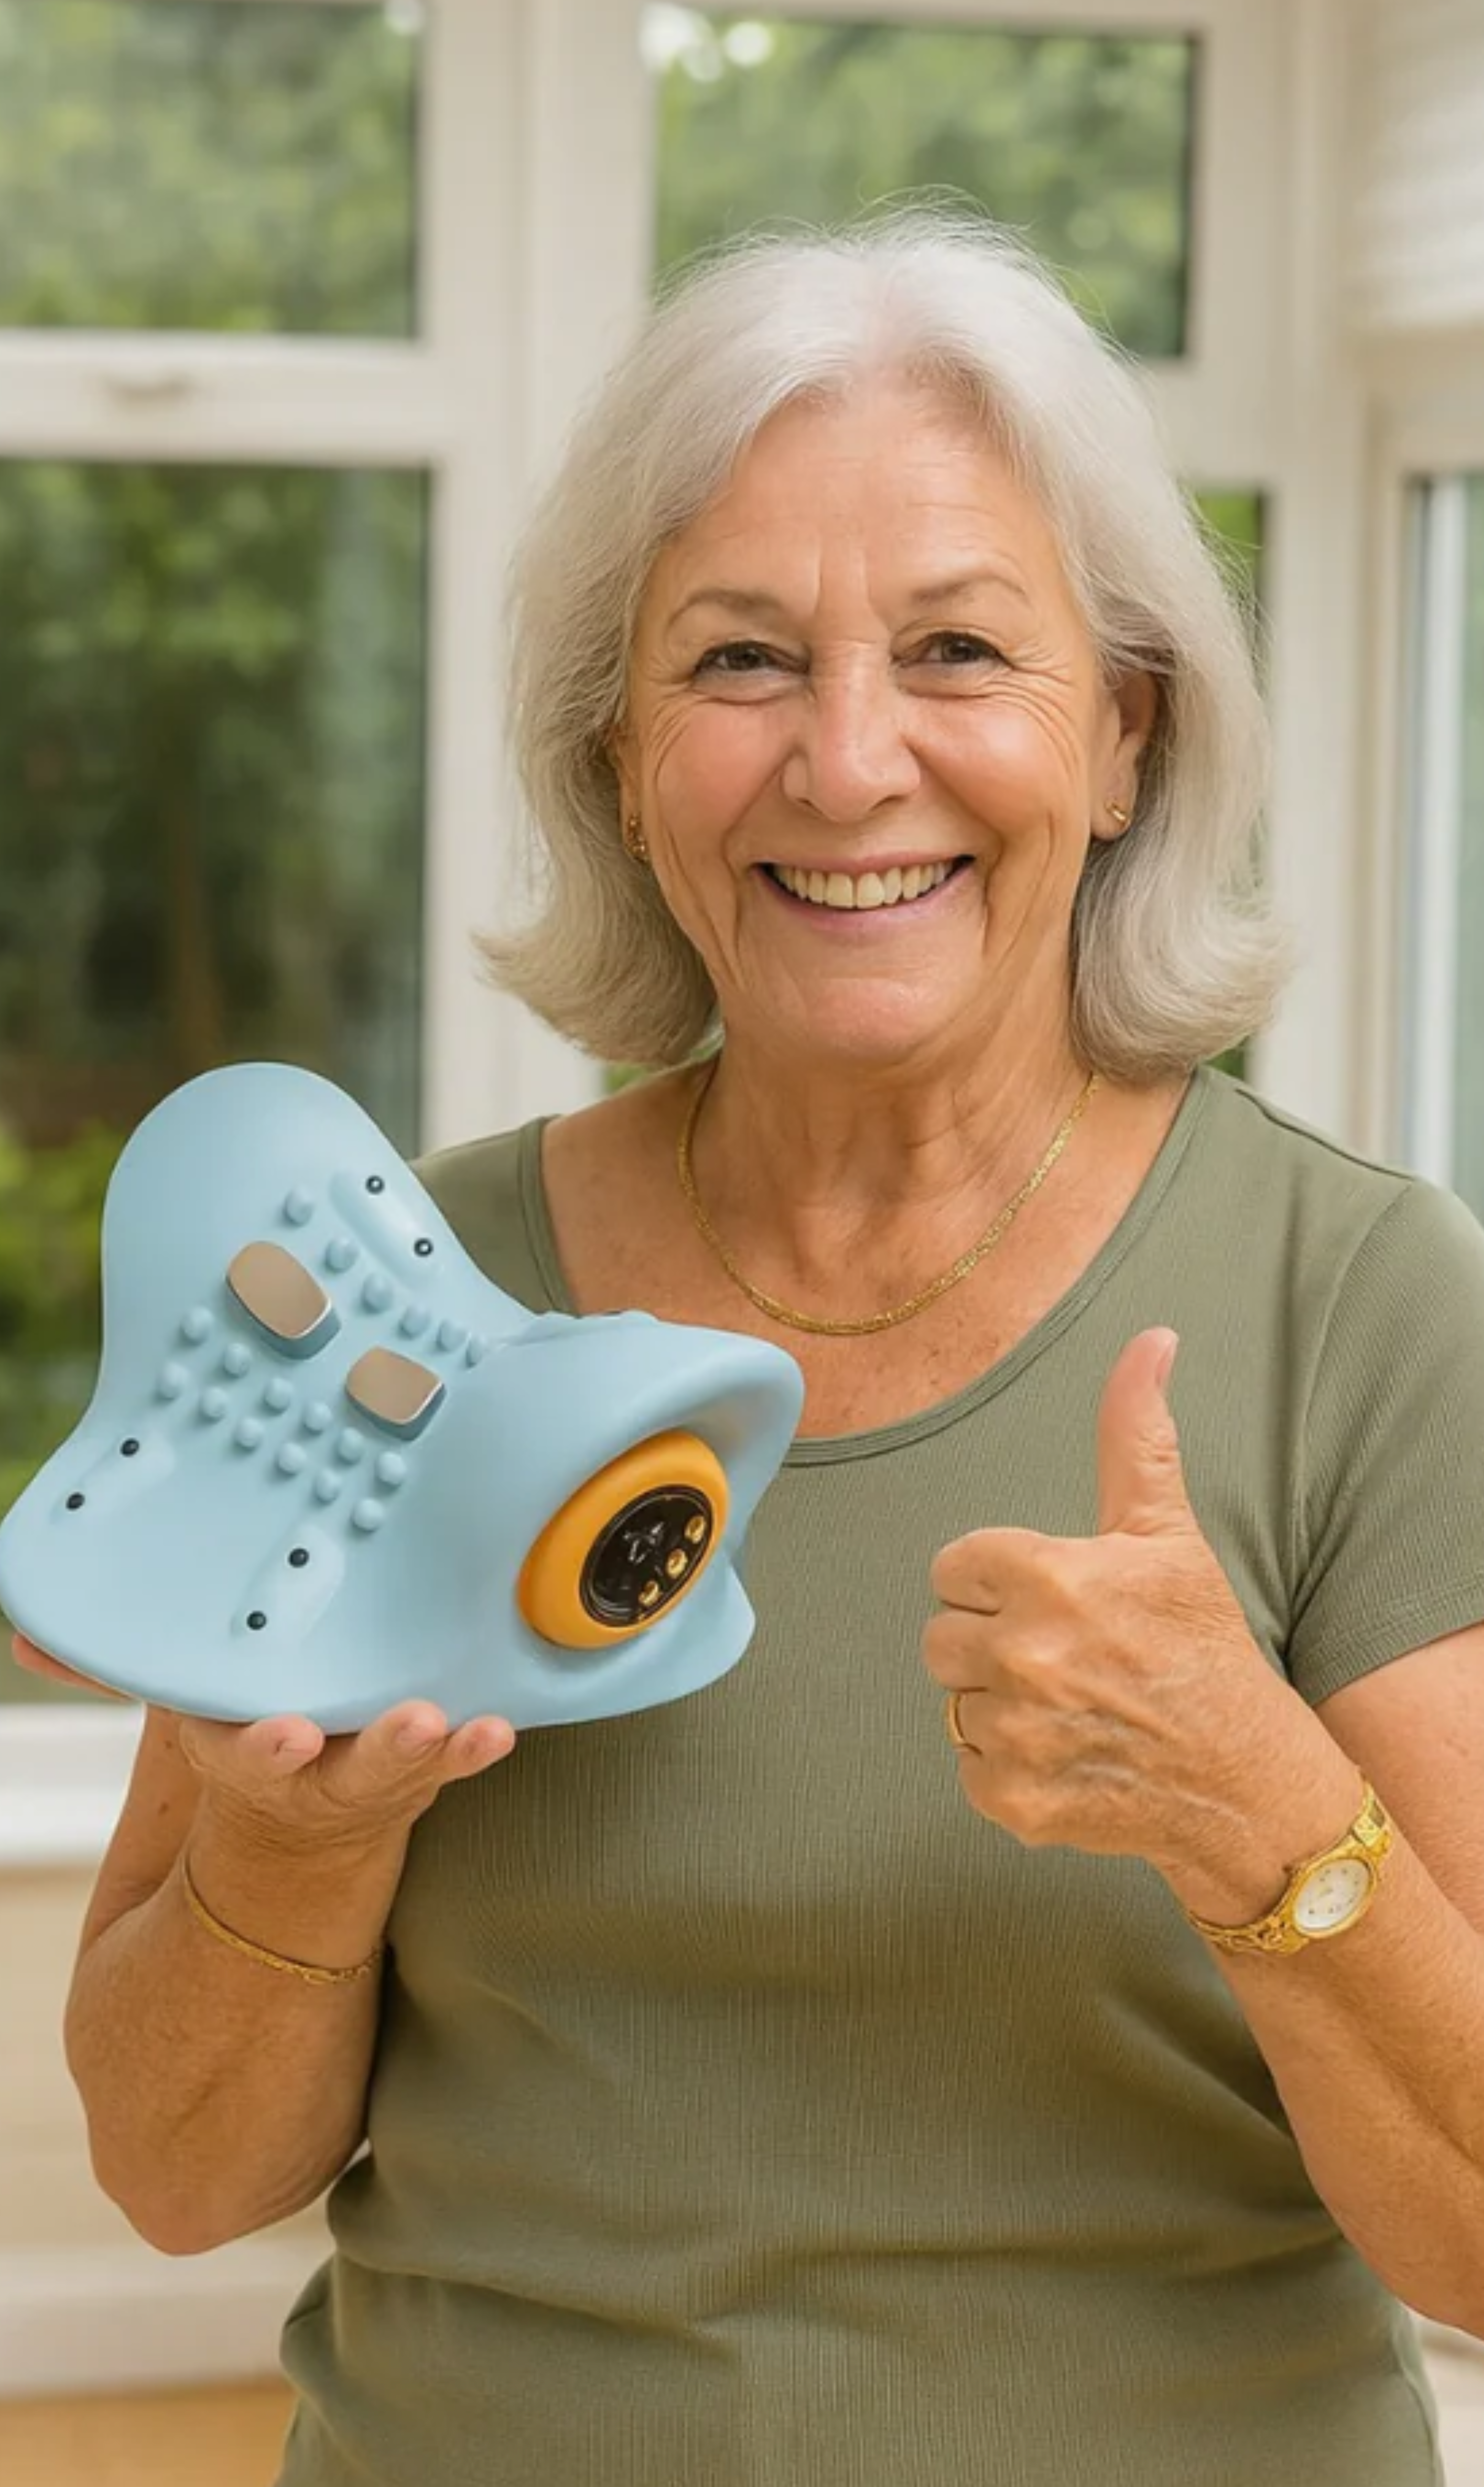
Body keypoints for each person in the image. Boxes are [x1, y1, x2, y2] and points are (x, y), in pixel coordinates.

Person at [17, 211, 1484, 2487]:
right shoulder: (401, 1307)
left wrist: (1256, 1812)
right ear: (617, 759)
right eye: (736, 663)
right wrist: (295, 1854)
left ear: (1119, 738)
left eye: (956, 649)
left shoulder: (1357, 1301)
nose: (845, 759)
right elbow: (178, 2172)